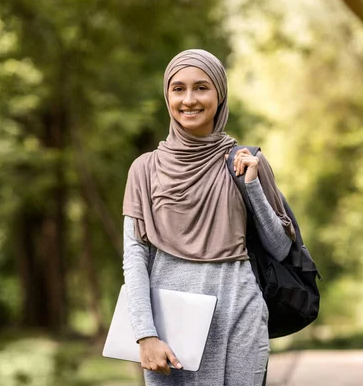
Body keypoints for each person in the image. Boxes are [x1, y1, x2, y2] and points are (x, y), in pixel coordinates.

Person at [122, 49, 296, 386]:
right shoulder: (144, 169)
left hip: (238, 313)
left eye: (201, 88)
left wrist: (252, 187)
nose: (189, 99)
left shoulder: (246, 161)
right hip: (169, 322)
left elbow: (280, 248)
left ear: (220, 94)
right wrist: (145, 333)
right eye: (178, 89)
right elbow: (134, 256)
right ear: (167, 95)